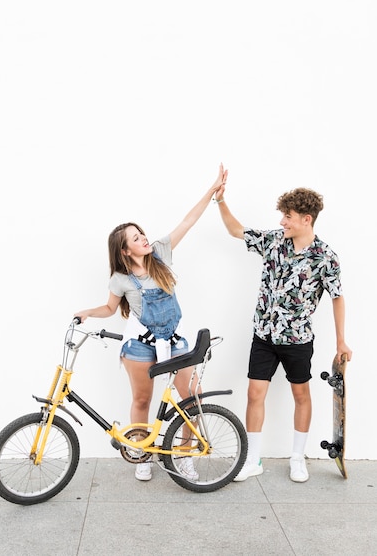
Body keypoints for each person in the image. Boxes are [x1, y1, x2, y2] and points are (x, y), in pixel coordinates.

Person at [74, 164, 227, 481]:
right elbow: (109, 307)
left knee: (192, 399)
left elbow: (188, 221)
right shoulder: (120, 279)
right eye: (135, 238)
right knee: (142, 399)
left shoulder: (160, 254)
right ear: (124, 250)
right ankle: (142, 453)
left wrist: (211, 192)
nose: (143, 238)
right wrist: (88, 312)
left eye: (141, 233)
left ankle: (185, 455)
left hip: (175, 341)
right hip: (140, 347)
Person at [213, 183, 352, 483]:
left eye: (287, 216)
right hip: (264, 335)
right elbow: (235, 230)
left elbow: (338, 297)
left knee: (301, 394)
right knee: (255, 393)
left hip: (297, 340)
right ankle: (253, 459)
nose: (281, 222)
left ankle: (297, 458)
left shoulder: (326, 257)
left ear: (306, 219)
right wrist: (221, 199)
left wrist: (341, 340)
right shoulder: (274, 241)